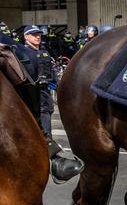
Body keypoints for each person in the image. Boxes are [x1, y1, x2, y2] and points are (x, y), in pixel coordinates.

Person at [0, 26, 83, 182]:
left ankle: (50, 157)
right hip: (34, 94)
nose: (38, 37)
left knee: (44, 123)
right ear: (26, 37)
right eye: (34, 35)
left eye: (38, 35)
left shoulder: (41, 52)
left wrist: (57, 87)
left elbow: (49, 74)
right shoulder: (25, 51)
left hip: (42, 94)